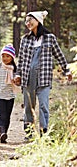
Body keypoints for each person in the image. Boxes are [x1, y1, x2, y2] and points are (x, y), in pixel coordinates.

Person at [14, 10, 72, 141]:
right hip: (28, 78)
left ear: (38, 21)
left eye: (30, 20)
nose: (27, 23)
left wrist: (67, 70)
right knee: (29, 107)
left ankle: (44, 133)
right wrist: (18, 75)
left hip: (44, 78)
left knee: (43, 106)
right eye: (26, 21)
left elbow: (59, 55)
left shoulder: (49, 38)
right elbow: (21, 59)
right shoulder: (25, 40)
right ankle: (29, 134)